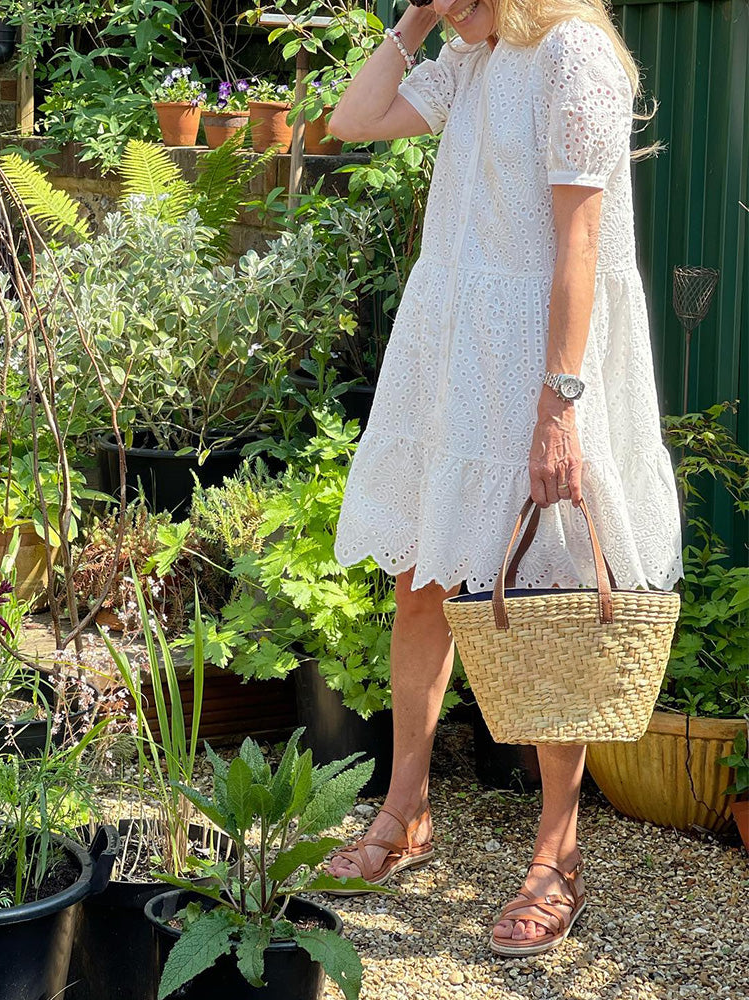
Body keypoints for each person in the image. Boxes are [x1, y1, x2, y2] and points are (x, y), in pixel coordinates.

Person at [324, 0, 682, 957]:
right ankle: (405, 814)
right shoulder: (471, 58)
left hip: (537, 361)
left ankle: (555, 859)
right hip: (454, 357)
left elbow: (581, 239)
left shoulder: (572, 54)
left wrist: (560, 402)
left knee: (553, 603)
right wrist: (412, 23)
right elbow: (352, 121)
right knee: (422, 584)